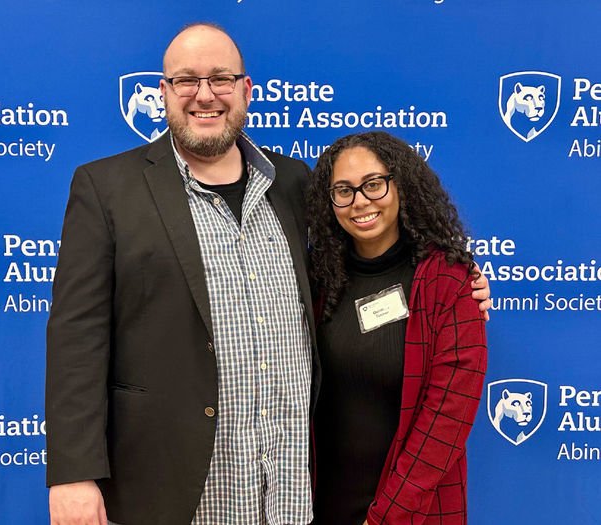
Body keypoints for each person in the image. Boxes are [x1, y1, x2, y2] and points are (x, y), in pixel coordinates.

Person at [46, 23, 491, 525]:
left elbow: (372, 251)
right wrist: (73, 474)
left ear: (246, 90)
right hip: (173, 488)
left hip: (290, 492)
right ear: (164, 93)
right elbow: (75, 339)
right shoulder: (106, 188)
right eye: (187, 80)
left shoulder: (294, 183)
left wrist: (460, 277)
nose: (205, 95)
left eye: (220, 78)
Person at [307, 131, 487, 525]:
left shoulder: (448, 280)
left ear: (401, 184)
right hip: (319, 507)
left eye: (374, 184)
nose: (360, 202)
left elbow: (448, 417)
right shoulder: (316, 281)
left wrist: (389, 515)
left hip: (410, 512)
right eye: (343, 190)